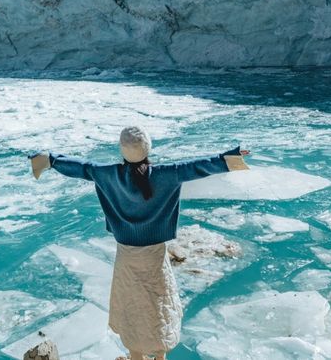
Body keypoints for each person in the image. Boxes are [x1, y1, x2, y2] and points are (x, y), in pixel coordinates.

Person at [29, 125, 250, 360]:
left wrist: (48, 160)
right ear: (147, 148)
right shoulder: (167, 173)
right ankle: (159, 357)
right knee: (158, 304)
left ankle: (135, 355)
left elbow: (81, 167)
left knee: (133, 305)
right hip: (155, 256)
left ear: (123, 150)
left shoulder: (107, 173)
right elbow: (197, 167)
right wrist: (230, 159)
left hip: (127, 257)